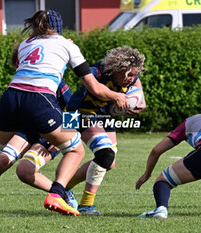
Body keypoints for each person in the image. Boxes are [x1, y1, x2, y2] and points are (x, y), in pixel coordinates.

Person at [0, 9, 127, 217]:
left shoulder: (26, 44)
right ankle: (57, 193)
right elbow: (94, 88)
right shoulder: (67, 45)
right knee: (76, 150)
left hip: (11, 97)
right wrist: (117, 96)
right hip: (39, 102)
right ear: (60, 27)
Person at [0, 43, 73, 213]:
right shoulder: (20, 82)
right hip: (27, 131)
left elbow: (73, 109)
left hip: (49, 134)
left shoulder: (54, 80)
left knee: (24, 171)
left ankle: (62, 194)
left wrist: (62, 138)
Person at [62, 45, 146, 214]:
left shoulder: (132, 76)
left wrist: (138, 104)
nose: (132, 78)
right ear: (117, 69)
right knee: (105, 154)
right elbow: (90, 84)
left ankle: (62, 188)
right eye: (129, 74)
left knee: (109, 161)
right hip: (79, 112)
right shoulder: (97, 72)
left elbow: (139, 95)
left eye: (134, 74)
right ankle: (86, 205)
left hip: (102, 115)